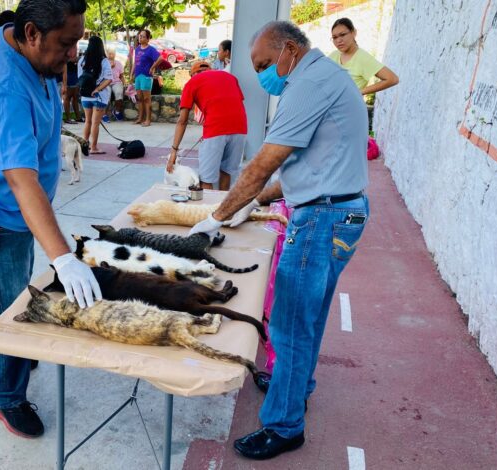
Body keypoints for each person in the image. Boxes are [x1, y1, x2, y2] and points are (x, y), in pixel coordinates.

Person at [188, 21, 370, 461]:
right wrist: (255, 203)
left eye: (267, 64)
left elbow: (264, 164)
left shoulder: (308, 86)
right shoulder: (325, 77)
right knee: (309, 313)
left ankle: (285, 424)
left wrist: (217, 217)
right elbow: (305, 166)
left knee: (288, 323)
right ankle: (296, 383)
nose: (266, 74)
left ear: (290, 50)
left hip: (321, 219)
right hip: (338, 209)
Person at [0, 0, 100, 438]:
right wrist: (64, 258)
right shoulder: (3, 85)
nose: (72, 55)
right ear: (31, 33)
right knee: (9, 305)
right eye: (66, 44)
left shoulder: (24, 46)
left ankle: (8, 352)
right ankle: (7, 395)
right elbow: (18, 178)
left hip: (21, 210)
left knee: (14, 290)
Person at [166, 61, 246, 191]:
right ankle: (223, 208)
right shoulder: (230, 77)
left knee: (206, 179)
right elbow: (233, 103)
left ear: (193, 74)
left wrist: (174, 151)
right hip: (240, 128)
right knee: (226, 172)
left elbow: (182, 121)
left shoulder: (192, 82)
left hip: (215, 129)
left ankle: (208, 209)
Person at [328, 18, 398, 95]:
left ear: (354, 33)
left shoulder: (363, 58)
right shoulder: (333, 55)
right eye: (335, 37)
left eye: (343, 35)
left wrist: (359, 92)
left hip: (349, 105)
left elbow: (392, 79)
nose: (338, 40)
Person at [78, 36, 112, 154]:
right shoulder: (104, 61)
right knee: (95, 123)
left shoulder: (82, 60)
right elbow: (108, 79)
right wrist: (97, 89)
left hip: (85, 96)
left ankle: (85, 145)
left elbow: (80, 77)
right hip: (99, 96)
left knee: (88, 121)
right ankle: (94, 147)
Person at [130, 29, 163, 126]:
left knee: (146, 99)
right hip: (138, 76)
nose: (140, 38)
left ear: (148, 39)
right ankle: (140, 118)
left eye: (143, 36)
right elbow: (135, 63)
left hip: (146, 76)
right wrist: (131, 74)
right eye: (140, 36)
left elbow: (160, 58)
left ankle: (148, 120)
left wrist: (152, 67)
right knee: (139, 98)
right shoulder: (137, 49)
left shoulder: (151, 49)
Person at [103, 46, 124, 122]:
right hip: (106, 82)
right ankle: (104, 114)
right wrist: (109, 67)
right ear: (107, 54)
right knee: (106, 95)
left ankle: (117, 112)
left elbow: (121, 76)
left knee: (119, 93)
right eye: (109, 53)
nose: (111, 55)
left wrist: (125, 84)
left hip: (116, 82)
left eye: (113, 53)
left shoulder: (118, 63)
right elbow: (101, 74)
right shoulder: (104, 62)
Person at [62, 55, 82, 123]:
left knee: (75, 98)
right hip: (68, 77)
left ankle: (78, 117)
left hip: (75, 77)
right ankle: (68, 118)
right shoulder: (65, 52)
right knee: (67, 98)